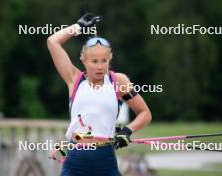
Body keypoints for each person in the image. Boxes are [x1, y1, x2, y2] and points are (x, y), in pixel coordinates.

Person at [47, 13, 152, 176]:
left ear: (110, 60)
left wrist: (127, 131)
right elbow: (53, 42)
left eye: (104, 61)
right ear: (84, 60)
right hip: (75, 161)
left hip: (105, 160)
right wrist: (78, 27)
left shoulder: (119, 81)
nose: (99, 67)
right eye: (94, 61)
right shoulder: (74, 78)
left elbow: (145, 113)